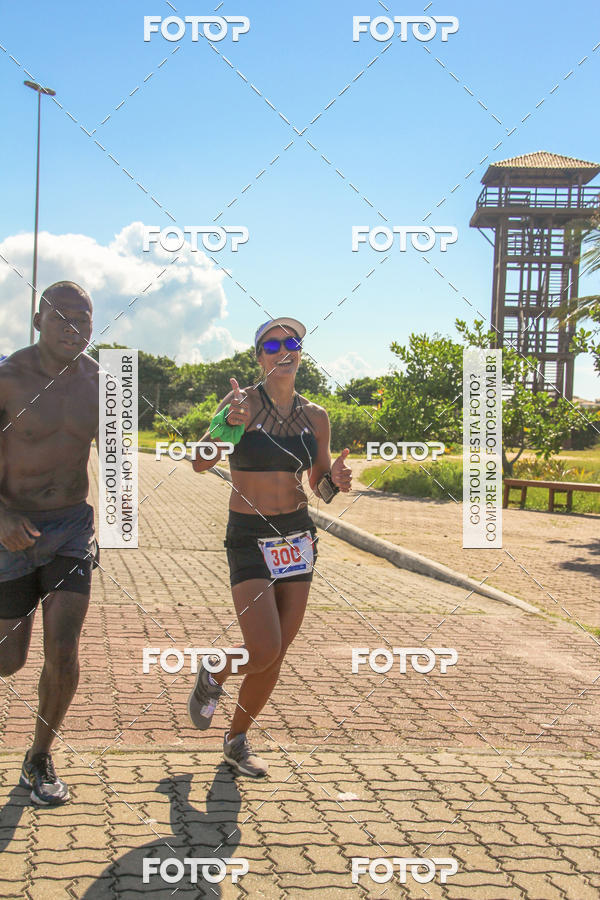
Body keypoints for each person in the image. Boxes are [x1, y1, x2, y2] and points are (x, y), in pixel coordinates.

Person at [187, 317, 352, 777]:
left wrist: (334, 482)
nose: (284, 349)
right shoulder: (242, 404)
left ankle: (236, 739)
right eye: (273, 343)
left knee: (275, 654)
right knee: (261, 649)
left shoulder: (316, 416)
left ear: (301, 352)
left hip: (297, 538)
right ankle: (215, 671)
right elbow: (199, 462)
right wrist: (225, 426)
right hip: (248, 536)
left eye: (292, 341)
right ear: (259, 356)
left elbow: (320, 485)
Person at [0, 281, 99, 805]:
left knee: (63, 648)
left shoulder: (102, 382)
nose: (73, 327)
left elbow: (126, 456)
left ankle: (39, 756)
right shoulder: (8, 378)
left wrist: (221, 427)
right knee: (9, 660)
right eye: (61, 317)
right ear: (37, 319)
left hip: (70, 531)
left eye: (83, 319)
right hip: (10, 532)